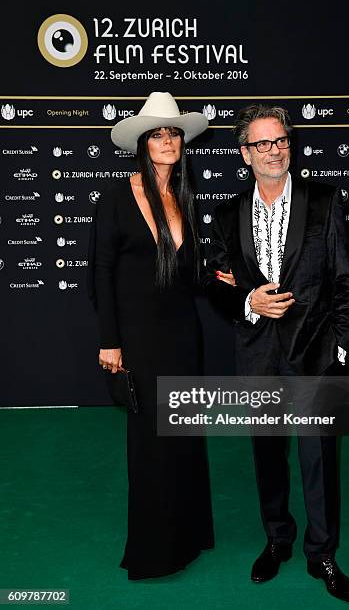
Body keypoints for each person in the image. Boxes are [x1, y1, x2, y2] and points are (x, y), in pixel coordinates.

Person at [203, 104, 349, 602]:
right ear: (245, 153)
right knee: (267, 452)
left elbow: (346, 282)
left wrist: (341, 344)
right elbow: (218, 283)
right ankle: (277, 539)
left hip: (314, 350)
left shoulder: (324, 201)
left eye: (282, 141)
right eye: (263, 144)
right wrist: (248, 301)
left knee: (318, 457)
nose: (275, 151)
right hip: (258, 352)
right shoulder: (226, 214)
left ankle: (323, 553)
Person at [92, 92, 214, 580]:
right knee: (150, 444)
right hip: (139, 338)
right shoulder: (117, 196)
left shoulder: (184, 193)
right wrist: (110, 342)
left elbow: (188, 275)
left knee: (185, 436)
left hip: (184, 333)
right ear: (142, 143)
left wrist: (218, 278)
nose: (168, 141)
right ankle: (154, 549)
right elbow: (100, 273)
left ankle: (190, 533)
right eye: (158, 134)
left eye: (174, 133)